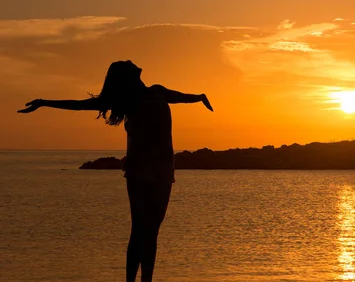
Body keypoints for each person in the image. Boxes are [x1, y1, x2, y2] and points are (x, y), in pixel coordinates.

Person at [17, 60, 213, 282]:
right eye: (127, 64)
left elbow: (181, 97)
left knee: (152, 230)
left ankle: (147, 279)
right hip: (140, 170)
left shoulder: (158, 91)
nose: (132, 61)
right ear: (126, 76)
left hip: (164, 170)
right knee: (140, 229)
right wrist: (44, 102)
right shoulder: (126, 99)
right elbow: (80, 104)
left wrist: (200, 97)